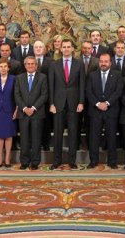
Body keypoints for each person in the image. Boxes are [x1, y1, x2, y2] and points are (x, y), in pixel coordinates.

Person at [48, 39, 85, 170]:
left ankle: (72, 161)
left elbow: (82, 85)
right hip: (58, 104)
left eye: (69, 47)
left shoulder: (79, 64)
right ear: (61, 49)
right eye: (64, 47)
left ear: (72, 49)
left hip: (74, 104)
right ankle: (57, 161)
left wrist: (81, 102)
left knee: (73, 133)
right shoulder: (54, 64)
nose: (66, 49)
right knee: (57, 134)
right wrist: (51, 103)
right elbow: (51, 86)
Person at [86, 53, 123, 169]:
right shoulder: (92, 75)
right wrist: (98, 104)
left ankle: (112, 161)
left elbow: (118, 91)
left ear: (110, 63)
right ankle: (93, 161)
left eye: (106, 61)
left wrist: (107, 103)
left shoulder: (117, 75)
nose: (103, 63)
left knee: (111, 137)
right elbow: (88, 91)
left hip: (110, 110)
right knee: (94, 137)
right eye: (101, 61)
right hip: (95, 111)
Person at [14, 56, 48, 170]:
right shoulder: (19, 78)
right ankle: (24, 162)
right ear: (25, 65)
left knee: (36, 139)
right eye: (28, 64)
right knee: (24, 139)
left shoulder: (43, 77)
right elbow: (16, 95)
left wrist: (33, 108)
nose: (30, 65)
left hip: (37, 113)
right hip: (23, 113)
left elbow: (44, 95)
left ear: (36, 65)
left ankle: (35, 162)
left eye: (33, 64)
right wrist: (24, 108)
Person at [33, 40, 53, 151]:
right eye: (36, 47)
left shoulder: (51, 61)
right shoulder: (29, 61)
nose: (38, 49)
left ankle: (46, 143)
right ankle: (34, 143)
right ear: (33, 49)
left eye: (41, 47)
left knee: (46, 122)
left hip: (47, 97)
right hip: (31, 98)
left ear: (44, 49)